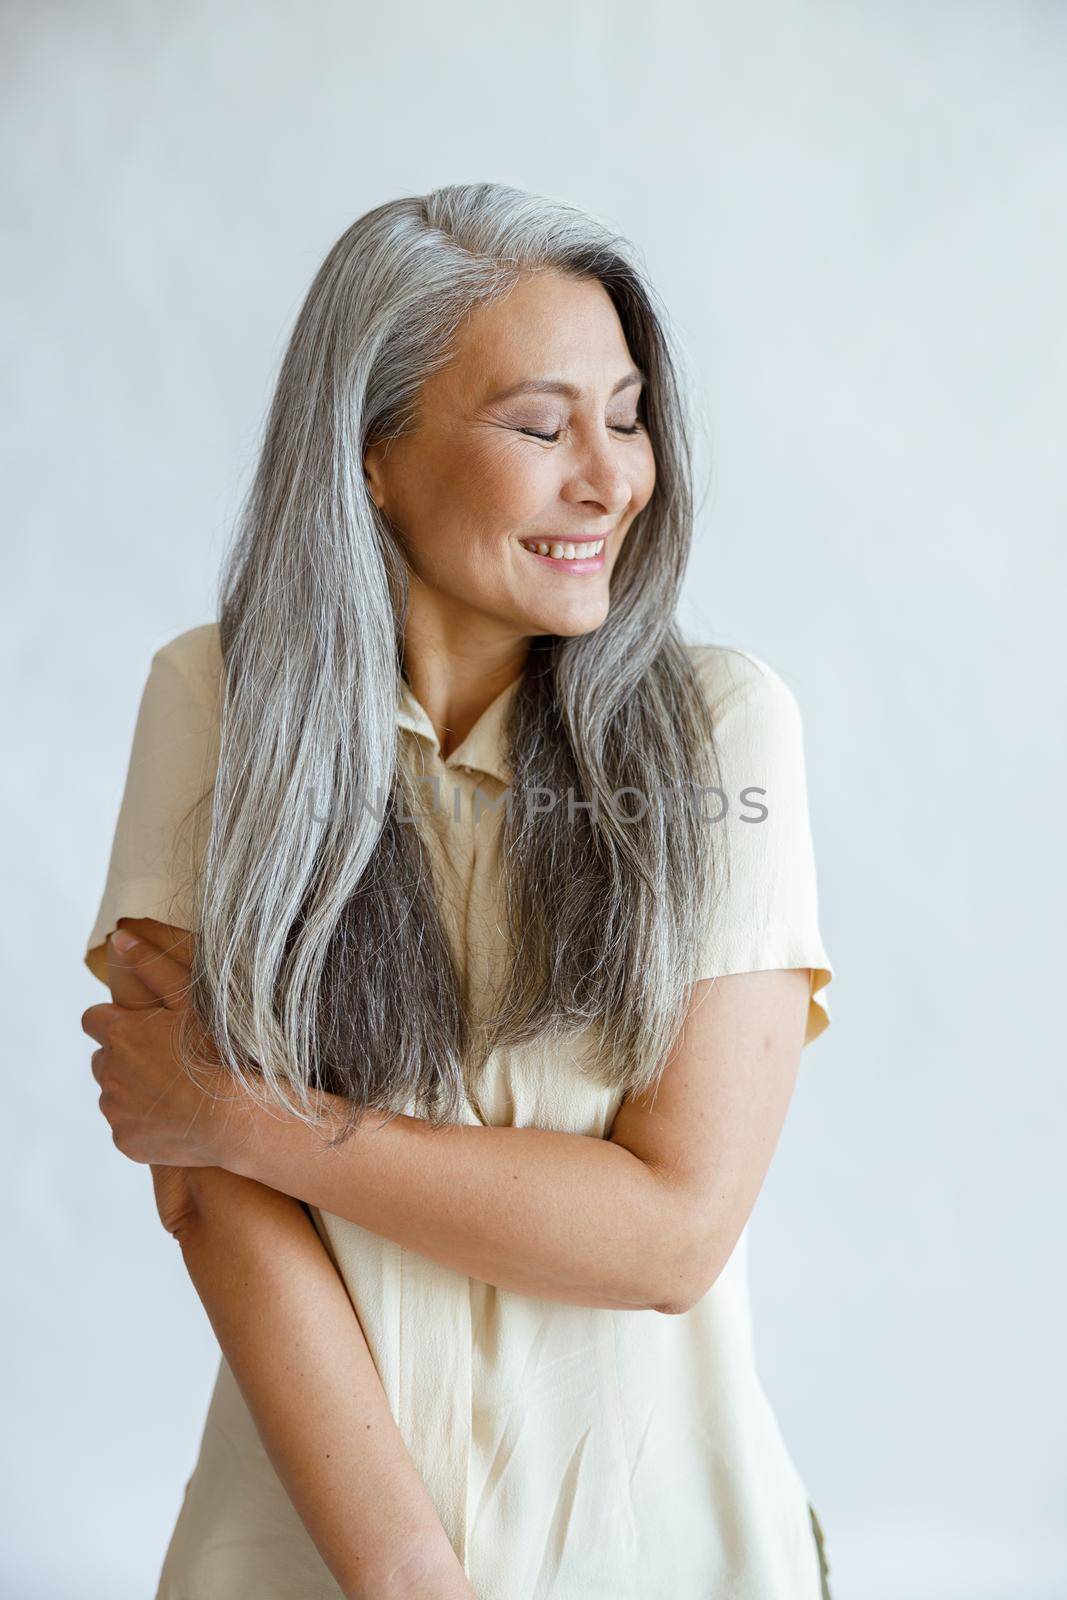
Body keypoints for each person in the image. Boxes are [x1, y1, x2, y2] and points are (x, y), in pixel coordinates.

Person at [81, 181, 835, 1600]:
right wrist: (411, 1577)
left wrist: (254, 1115)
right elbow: (215, 1204)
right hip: (298, 1554)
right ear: (373, 454)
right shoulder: (215, 700)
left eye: (625, 415)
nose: (611, 478)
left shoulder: (726, 730)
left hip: (664, 1557)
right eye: (541, 426)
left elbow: (671, 1232)